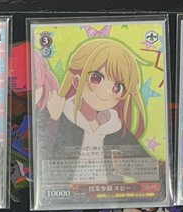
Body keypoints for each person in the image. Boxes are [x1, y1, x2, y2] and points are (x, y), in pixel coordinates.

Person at [35, 36, 157, 185]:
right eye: (96, 78)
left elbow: (149, 171)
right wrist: (54, 120)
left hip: (110, 196)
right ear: (77, 81)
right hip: (65, 195)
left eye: (117, 87)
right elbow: (41, 159)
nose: (106, 92)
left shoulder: (116, 129)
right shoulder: (60, 116)